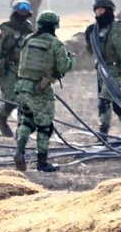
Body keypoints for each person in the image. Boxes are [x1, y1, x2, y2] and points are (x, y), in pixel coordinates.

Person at [12, 10, 76, 173]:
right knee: (45, 126)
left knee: (26, 120)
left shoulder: (28, 39)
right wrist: (72, 59)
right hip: (40, 90)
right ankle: (42, 162)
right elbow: (63, 67)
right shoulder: (56, 44)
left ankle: (20, 150)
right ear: (55, 26)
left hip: (22, 87)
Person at [84, 0, 121, 139]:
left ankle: (103, 132)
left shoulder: (117, 28)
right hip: (102, 70)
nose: (99, 13)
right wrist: (88, 38)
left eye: (102, 10)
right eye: (97, 10)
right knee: (116, 103)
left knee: (104, 100)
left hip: (115, 71)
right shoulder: (94, 29)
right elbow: (91, 52)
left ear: (109, 10)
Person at [0, 0, 35, 138]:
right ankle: (2, 121)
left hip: (24, 69)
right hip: (8, 69)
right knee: (11, 99)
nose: (23, 15)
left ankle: (21, 130)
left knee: (25, 99)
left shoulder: (28, 29)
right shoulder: (4, 29)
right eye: (21, 12)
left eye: (26, 12)